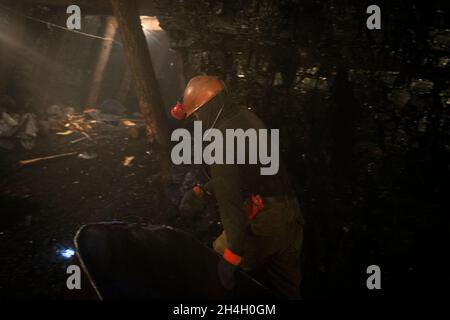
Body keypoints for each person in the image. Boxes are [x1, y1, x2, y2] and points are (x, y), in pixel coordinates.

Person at [171, 75, 304, 299]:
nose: (197, 123)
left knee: (213, 265)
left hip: (265, 222)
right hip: (291, 216)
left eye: (196, 117)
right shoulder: (245, 118)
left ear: (206, 109)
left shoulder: (221, 139)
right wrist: (201, 191)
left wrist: (231, 255)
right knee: (287, 291)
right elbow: (244, 173)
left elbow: (230, 202)